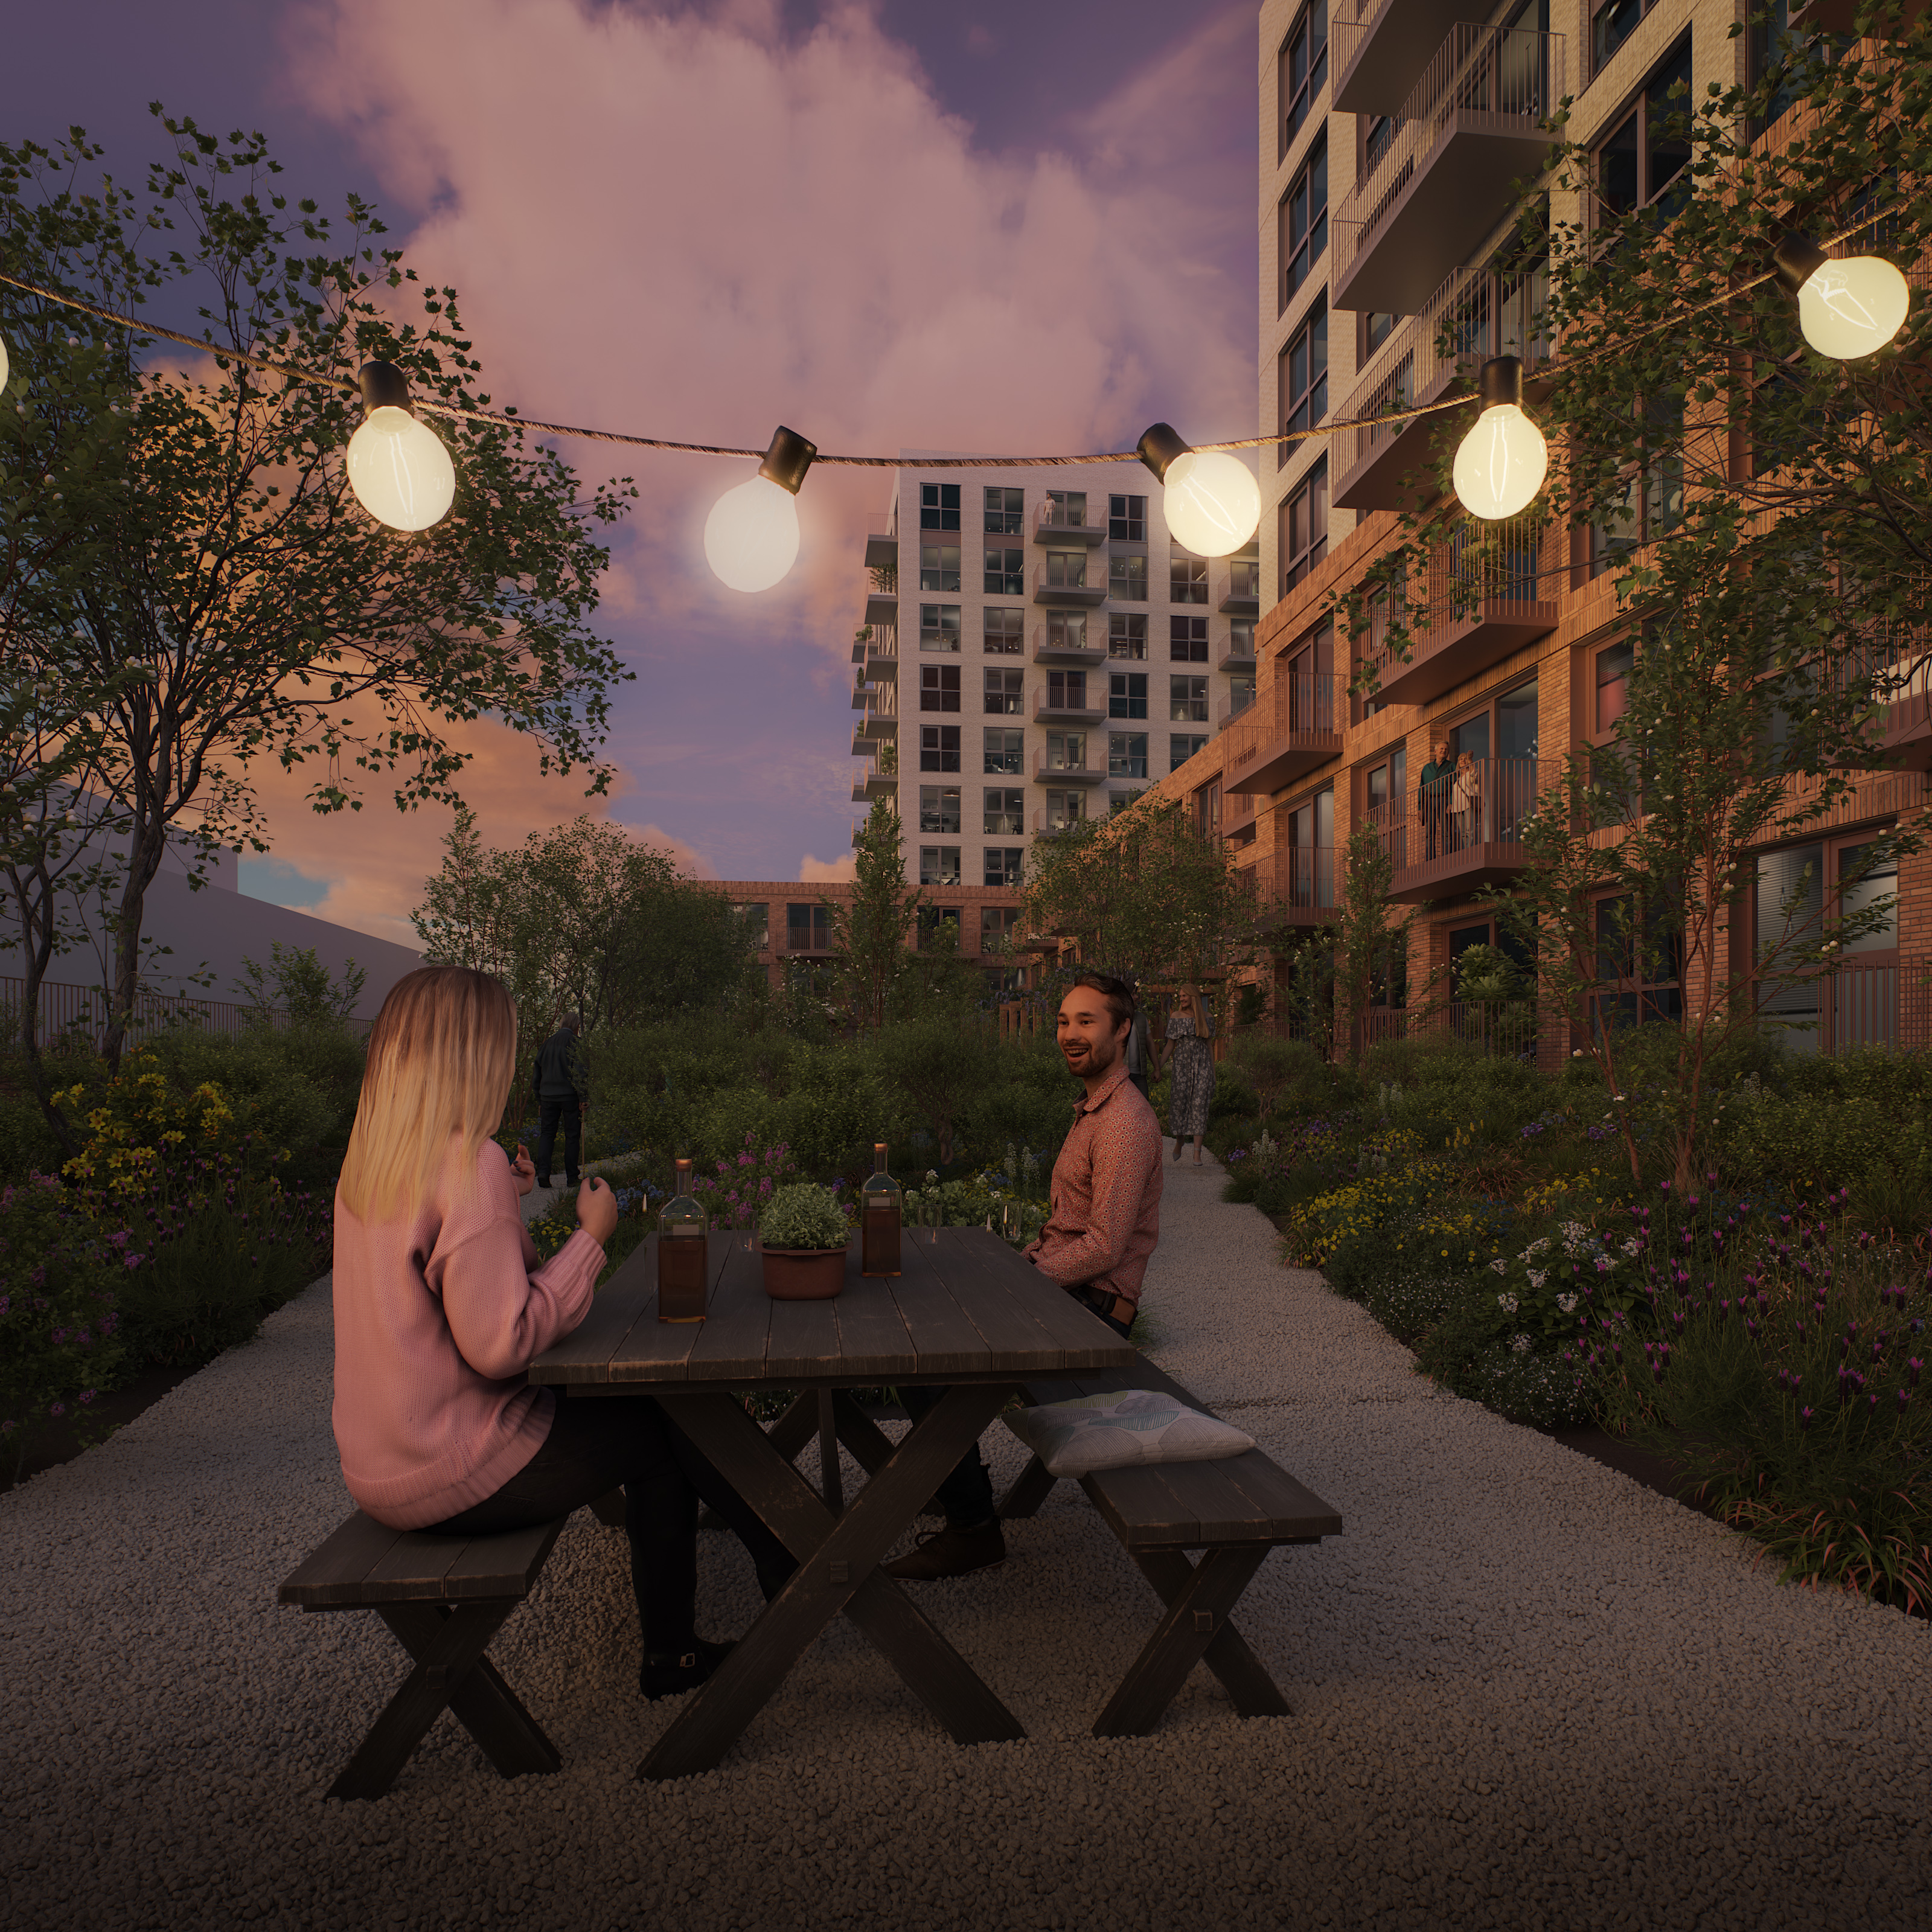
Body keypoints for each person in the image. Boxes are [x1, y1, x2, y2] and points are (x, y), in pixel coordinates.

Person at [331, 966, 793, 1700]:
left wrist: (502, 1207)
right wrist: (592, 1236)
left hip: (380, 1464)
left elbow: (457, 1296)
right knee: (668, 1422)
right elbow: (502, 1342)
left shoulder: (373, 1166)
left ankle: (768, 1572)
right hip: (453, 1467)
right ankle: (783, 1575)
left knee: (659, 1416)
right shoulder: (468, 1162)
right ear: (477, 1053)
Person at [885, 971, 1163, 1582]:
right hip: (1066, 1292)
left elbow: (1103, 1246)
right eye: (1064, 1021)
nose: (1069, 1033)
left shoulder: (1122, 1123)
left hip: (1091, 1309)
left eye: (1086, 1021)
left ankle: (971, 1527)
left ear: (1122, 1030)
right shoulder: (1096, 1107)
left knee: (925, 1350)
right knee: (923, 1318)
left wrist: (1017, 1278)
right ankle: (949, 1481)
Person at [532, 1011, 587, 1189]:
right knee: (572, 1136)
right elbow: (579, 1072)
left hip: (548, 1097)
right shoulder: (576, 1044)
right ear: (576, 1026)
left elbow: (537, 1073)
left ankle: (543, 1174)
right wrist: (583, 1097)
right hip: (570, 1097)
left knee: (547, 1134)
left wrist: (539, 1099)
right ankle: (572, 1177)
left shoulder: (546, 1044)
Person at [1165, 991, 1215, 1164]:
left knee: (1200, 1106)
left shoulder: (1207, 1017)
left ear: (1194, 997)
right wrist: (1158, 1067)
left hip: (1203, 1065)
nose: (1181, 999)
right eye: (1180, 996)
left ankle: (1197, 1153)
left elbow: (1209, 1046)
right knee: (1180, 1105)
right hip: (1182, 1067)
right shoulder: (1176, 1016)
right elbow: (1170, 1044)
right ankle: (1180, 1142)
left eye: (1185, 995)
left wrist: (1213, 1073)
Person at [1416, 739, 1451, 862]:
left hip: (1445, 799)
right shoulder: (1427, 768)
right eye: (1441, 749)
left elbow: (1454, 785)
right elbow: (1422, 787)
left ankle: (1448, 857)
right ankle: (1430, 859)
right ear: (1435, 751)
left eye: (1446, 749)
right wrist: (1420, 808)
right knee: (1429, 832)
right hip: (1429, 801)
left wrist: (1451, 802)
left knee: (1446, 830)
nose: (1444, 751)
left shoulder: (1451, 766)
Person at [1453, 750, 1482, 853]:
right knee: (1463, 833)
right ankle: (1466, 852)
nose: (1463, 760)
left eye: (1465, 758)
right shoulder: (1458, 779)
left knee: (1470, 830)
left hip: (1469, 804)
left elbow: (1475, 777)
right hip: (1458, 807)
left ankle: (1471, 852)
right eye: (1461, 759)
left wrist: (1470, 761)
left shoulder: (1471, 773)